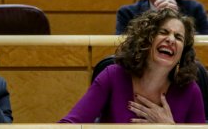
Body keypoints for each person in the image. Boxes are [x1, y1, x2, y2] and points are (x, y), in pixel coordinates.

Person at [59, 8, 206, 123]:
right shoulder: (112, 76)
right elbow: (72, 122)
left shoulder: (190, 91)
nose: (171, 40)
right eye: (163, 32)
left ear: (182, 53)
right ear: (146, 41)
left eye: (178, 37)